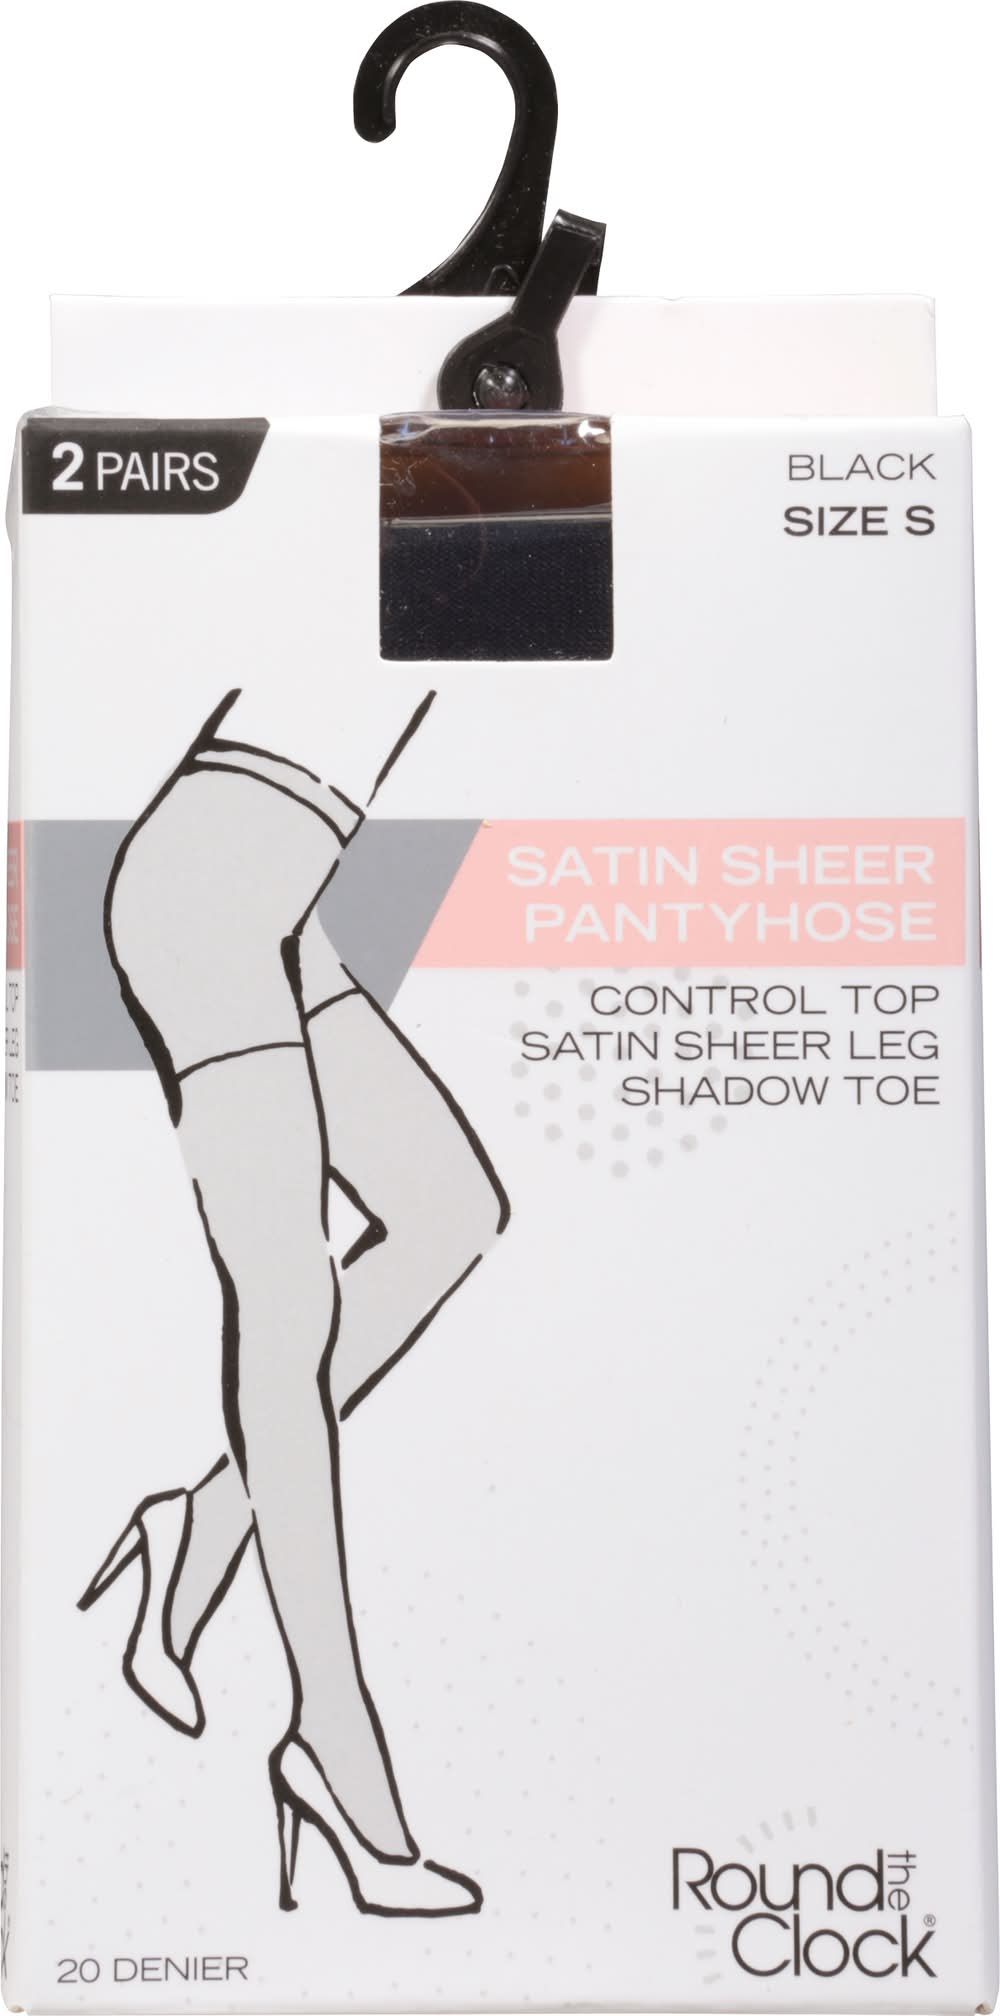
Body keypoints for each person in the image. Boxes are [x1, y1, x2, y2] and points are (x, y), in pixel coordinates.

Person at [77, 690, 508, 1917]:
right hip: (203, 909)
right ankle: (331, 1732)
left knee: (449, 1210)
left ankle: (204, 1521)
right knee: (285, 1298)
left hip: (274, 905)